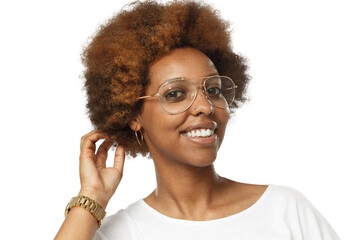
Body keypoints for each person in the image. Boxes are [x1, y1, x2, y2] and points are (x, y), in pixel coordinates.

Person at [55, 1, 340, 239]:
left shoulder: (285, 210)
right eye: (176, 94)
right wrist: (92, 198)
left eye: (213, 89)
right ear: (133, 115)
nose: (205, 105)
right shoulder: (115, 233)